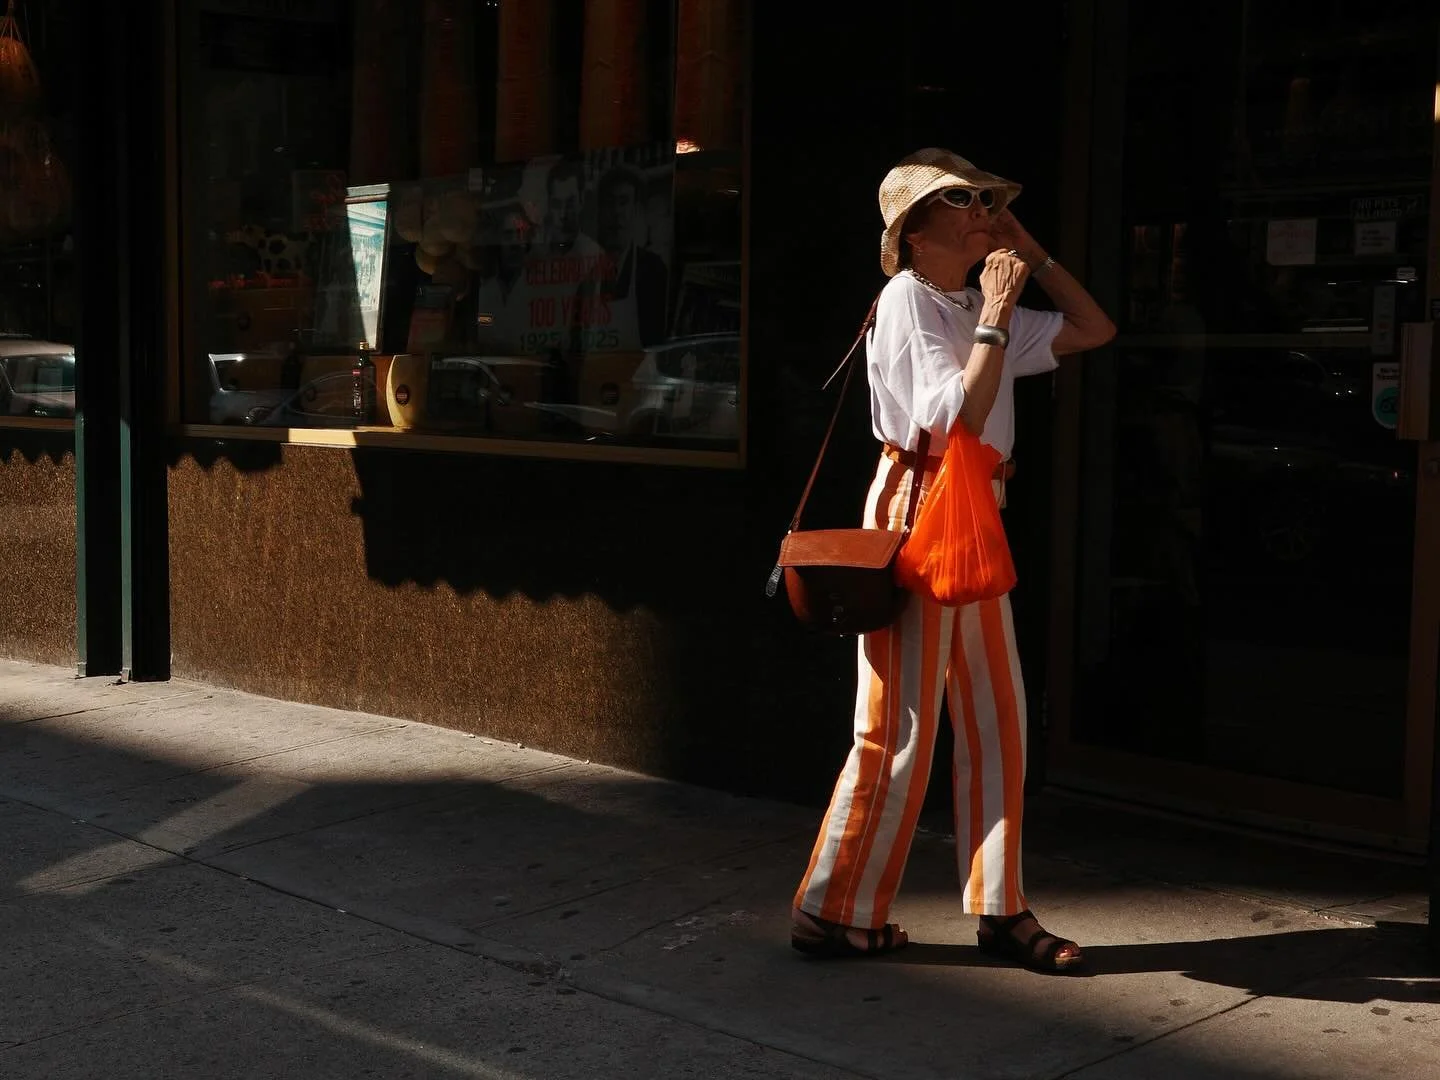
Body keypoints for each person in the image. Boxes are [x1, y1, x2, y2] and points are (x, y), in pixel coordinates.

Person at [790, 148, 1116, 973]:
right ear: (916, 228)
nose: (980, 209)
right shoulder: (908, 298)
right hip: (922, 503)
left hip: (978, 508)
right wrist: (999, 311)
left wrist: (1029, 256)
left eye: (985, 198)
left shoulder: (970, 298)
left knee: (997, 716)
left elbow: (1095, 328)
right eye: (960, 199)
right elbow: (954, 419)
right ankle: (833, 909)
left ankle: (1001, 909)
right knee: (900, 726)